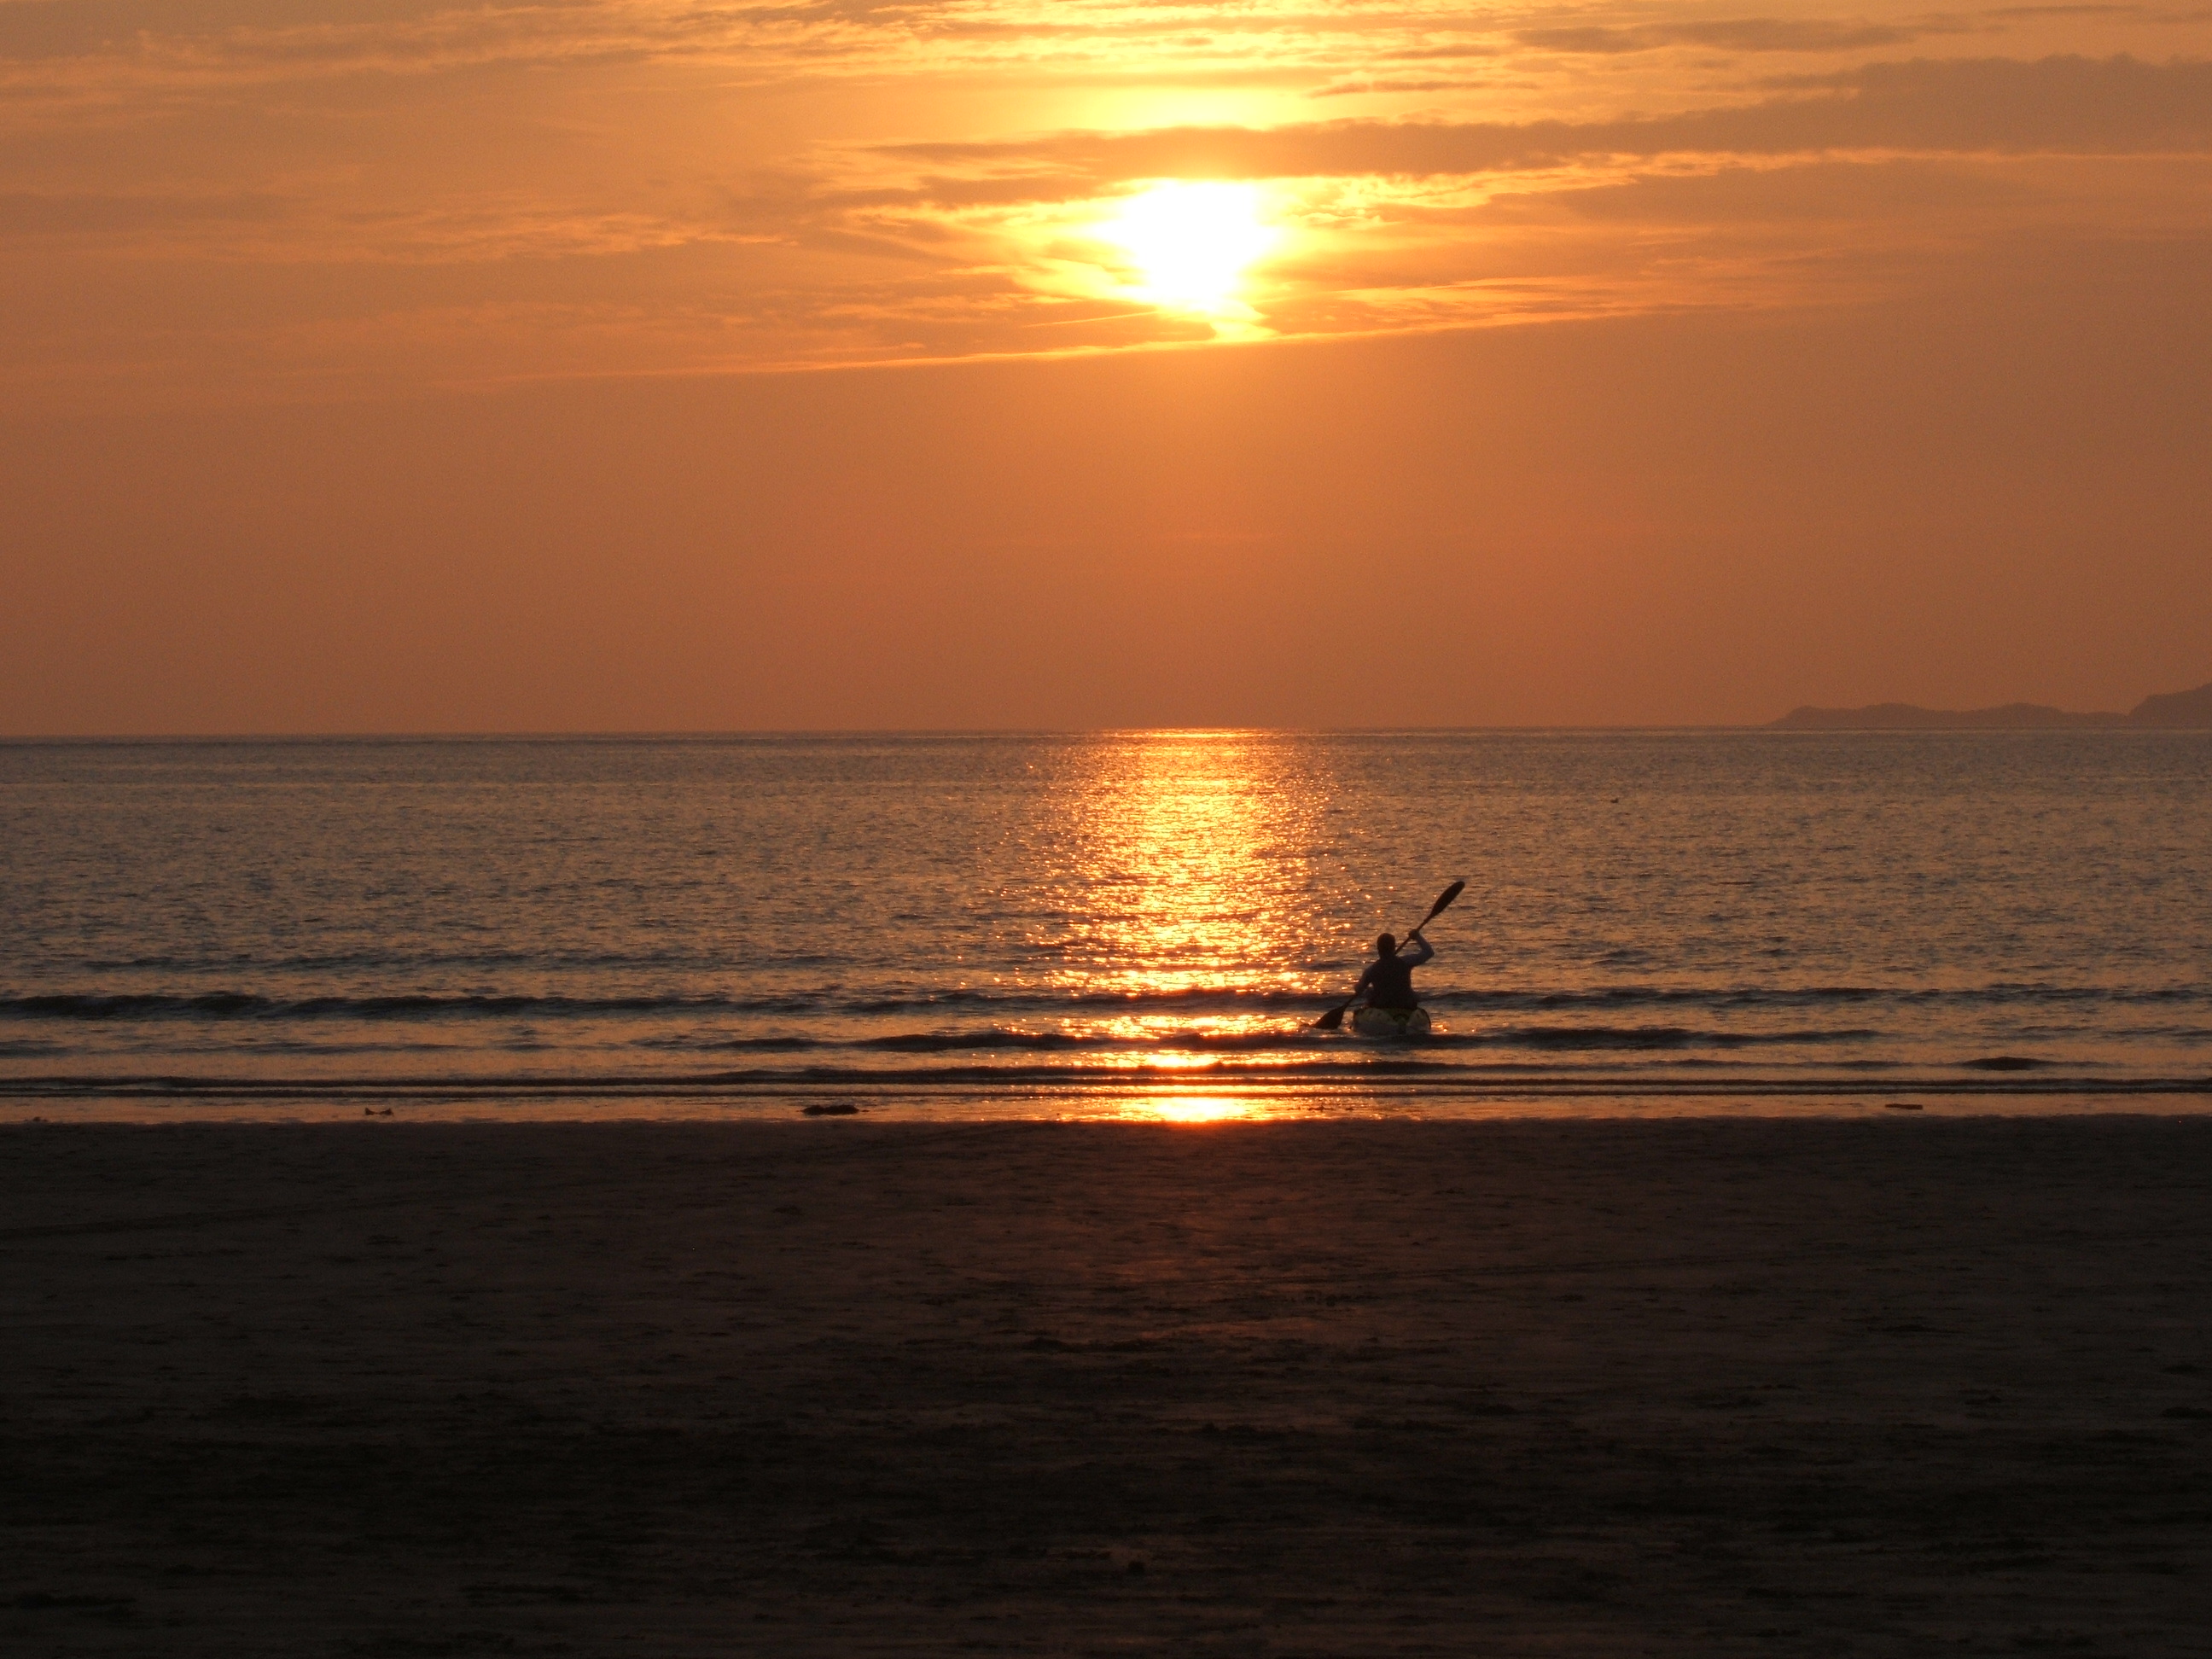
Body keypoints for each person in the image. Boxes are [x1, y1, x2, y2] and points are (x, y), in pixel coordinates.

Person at [1353, 927, 1433, 1010]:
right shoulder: (1406, 962)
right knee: (1414, 995)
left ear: (1378, 949)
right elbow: (1429, 952)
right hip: (1405, 1004)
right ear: (1394, 947)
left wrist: (1364, 989)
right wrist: (1417, 937)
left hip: (1382, 1006)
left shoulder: (1371, 970)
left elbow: (1359, 989)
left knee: (1370, 993)